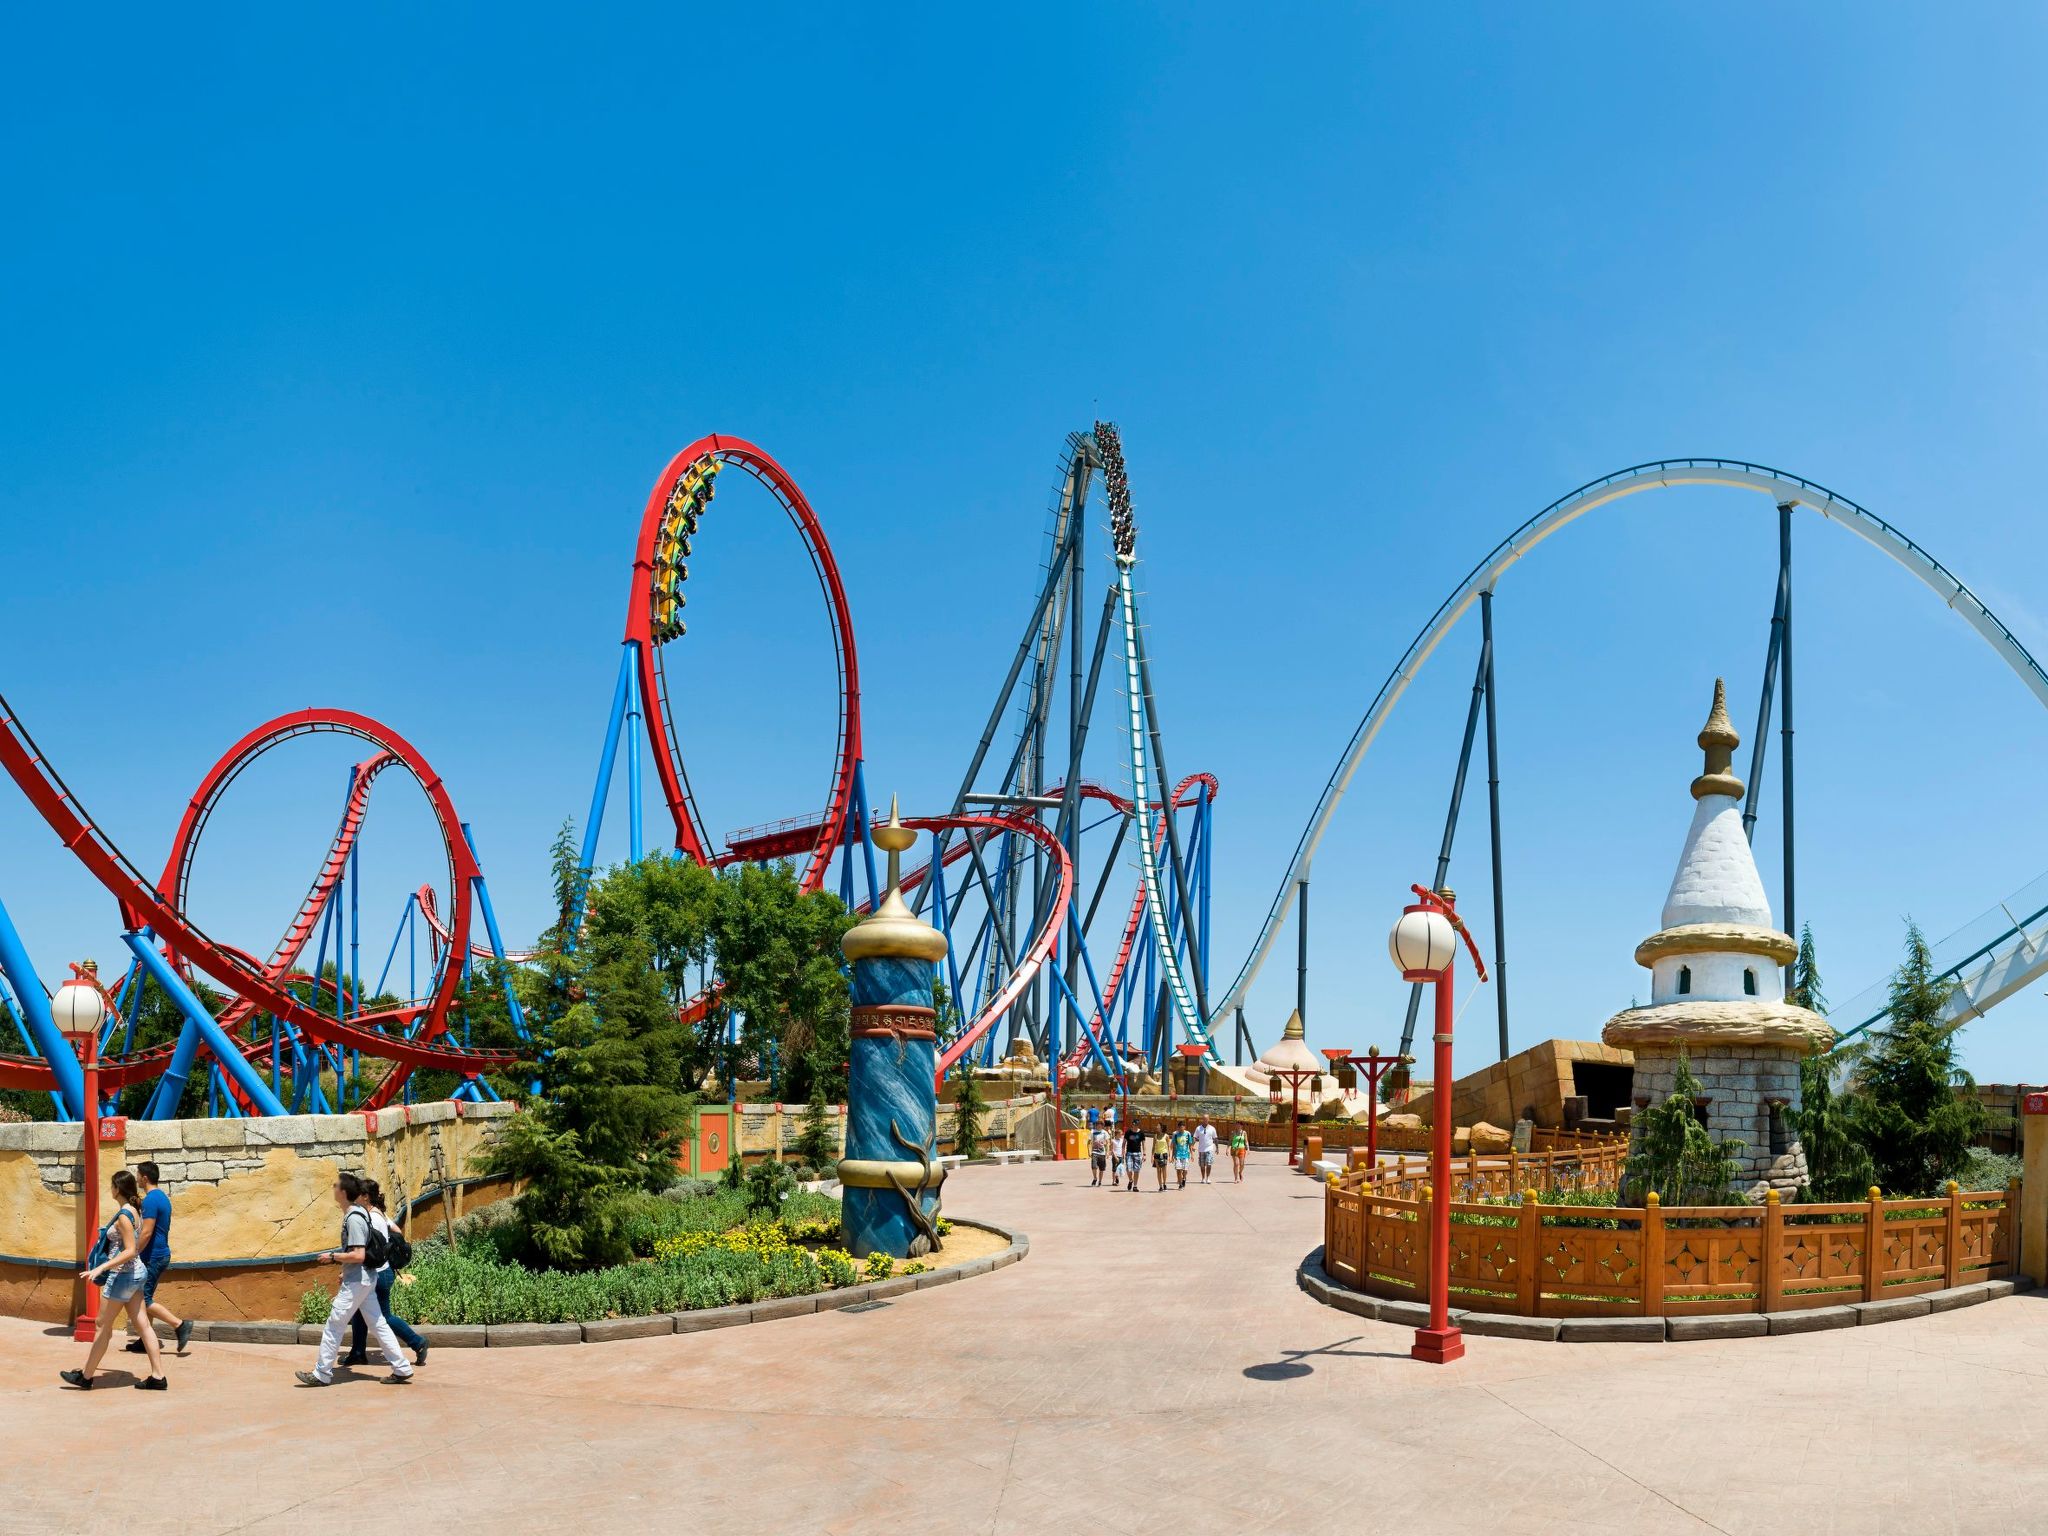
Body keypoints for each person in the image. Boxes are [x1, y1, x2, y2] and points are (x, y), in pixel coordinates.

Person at [295, 1173, 414, 1386]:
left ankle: (321, 1374)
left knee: (334, 1324)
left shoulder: (354, 1218)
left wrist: (332, 1257)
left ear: (343, 1192)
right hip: (365, 1279)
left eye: (336, 1185)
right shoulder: (357, 1213)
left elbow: (358, 1255)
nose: (333, 1188)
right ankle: (402, 1368)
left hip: (358, 1281)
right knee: (378, 1324)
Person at [60, 1169, 167, 1390]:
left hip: (123, 1276)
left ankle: (86, 1377)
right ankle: (158, 1377)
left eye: (111, 1185)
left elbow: (130, 1250)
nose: (110, 1189)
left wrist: (101, 1267)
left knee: (102, 1326)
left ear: (117, 1189)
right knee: (143, 1325)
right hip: (136, 1275)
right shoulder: (134, 1210)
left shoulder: (123, 1216)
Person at [343, 1180, 428, 1369]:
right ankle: (357, 1353)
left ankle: (418, 1342)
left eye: (357, 1194)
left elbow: (364, 1249)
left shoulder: (369, 1217)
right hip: (384, 1270)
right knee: (359, 1312)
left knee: (383, 1317)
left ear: (365, 1196)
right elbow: (397, 1231)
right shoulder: (378, 1213)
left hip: (378, 1274)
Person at [124, 1162, 193, 1357]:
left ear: (144, 1177)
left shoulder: (152, 1200)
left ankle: (179, 1325)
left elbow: (146, 1232)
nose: (136, 1178)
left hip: (153, 1257)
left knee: (143, 1299)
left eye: (138, 1174)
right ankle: (145, 1340)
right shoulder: (159, 1197)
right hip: (157, 1255)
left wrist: (133, 1252)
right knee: (143, 1297)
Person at [1122, 1119, 1146, 1192]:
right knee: (1128, 1169)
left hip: (1138, 1153)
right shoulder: (1128, 1132)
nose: (1135, 1126)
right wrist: (1123, 1152)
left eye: (1137, 1125)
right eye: (1134, 1124)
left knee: (1136, 1170)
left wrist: (1144, 1154)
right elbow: (1124, 1143)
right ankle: (1130, 1180)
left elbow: (1143, 1144)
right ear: (1132, 1124)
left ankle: (1135, 1186)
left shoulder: (1141, 1133)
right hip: (1129, 1153)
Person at [1195, 1116, 1218, 1185]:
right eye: (1204, 1119)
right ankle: (1203, 1178)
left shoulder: (1212, 1128)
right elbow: (1195, 1137)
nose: (1205, 1120)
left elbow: (1215, 1138)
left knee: (1208, 1163)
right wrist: (1192, 1145)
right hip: (1201, 1149)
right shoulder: (1198, 1128)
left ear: (1209, 1119)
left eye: (1207, 1119)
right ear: (1202, 1119)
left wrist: (1217, 1148)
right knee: (1202, 1165)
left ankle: (1208, 1177)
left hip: (1209, 1148)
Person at [1171, 1120, 1192, 1189]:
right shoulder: (1175, 1134)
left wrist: (1192, 1154)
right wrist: (1172, 1156)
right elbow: (1173, 1145)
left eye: (1182, 1127)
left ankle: (1184, 1179)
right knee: (1178, 1169)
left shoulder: (1188, 1134)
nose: (1181, 1128)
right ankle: (1180, 1184)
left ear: (1184, 1127)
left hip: (1186, 1154)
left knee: (1185, 1170)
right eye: (1180, 1127)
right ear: (1178, 1127)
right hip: (1178, 1155)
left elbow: (1190, 1144)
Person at [1088, 1123, 1109, 1187]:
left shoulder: (1105, 1132)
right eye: (1098, 1125)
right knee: (1094, 1166)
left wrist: (1107, 1152)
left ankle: (1100, 1181)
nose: (1099, 1126)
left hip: (1102, 1152)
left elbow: (1107, 1143)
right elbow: (1088, 1142)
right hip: (1094, 1152)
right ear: (1096, 1125)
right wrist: (1089, 1151)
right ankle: (1095, 1178)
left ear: (1102, 1126)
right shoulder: (1092, 1132)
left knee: (1101, 1169)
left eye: (1101, 1125)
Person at [1152, 1124, 1171, 1191]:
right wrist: (1152, 1156)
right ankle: (1160, 1186)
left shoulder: (1166, 1136)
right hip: (1157, 1154)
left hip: (1164, 1154)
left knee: (1164, 1170)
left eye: (1158, 1126)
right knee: (1158, 1170)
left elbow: (1168, 1146)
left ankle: (1164, 1184)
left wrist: (1169, 1156)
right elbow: (1153, 1146)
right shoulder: (1155, 1136)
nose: (1157, 1127)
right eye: (1156, 1126)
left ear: (1161, 1127)